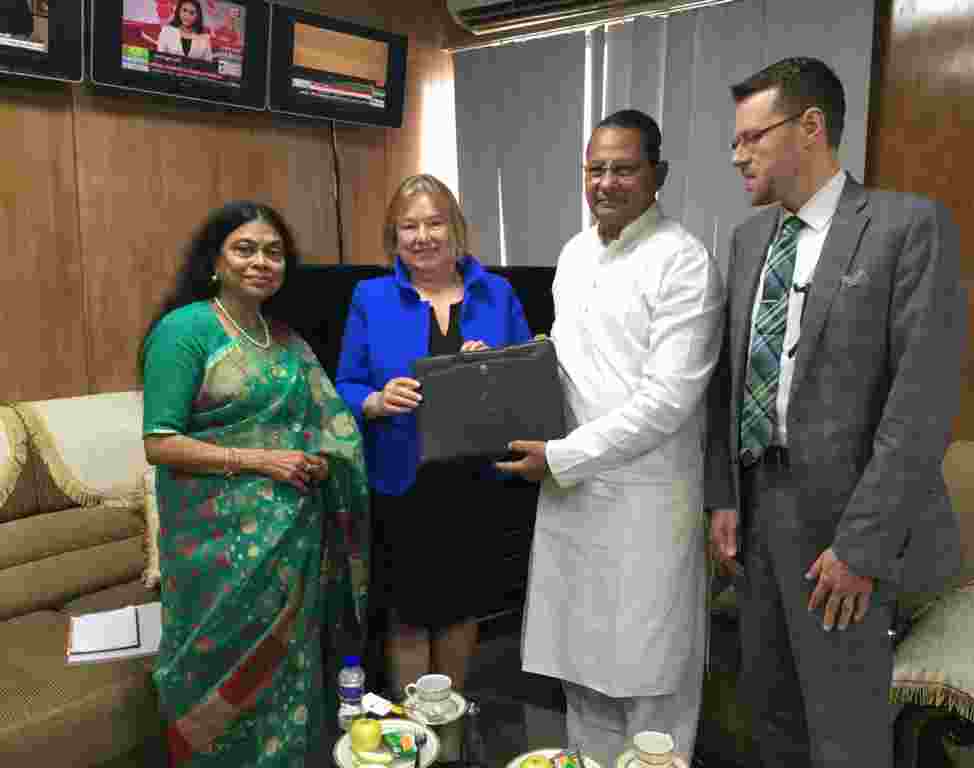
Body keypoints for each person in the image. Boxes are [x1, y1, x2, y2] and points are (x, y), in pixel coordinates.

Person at [704, 57, 966, 767]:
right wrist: (724, 497)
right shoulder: (749, 240)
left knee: (844, 734)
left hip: (847, 529)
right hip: (758, 517)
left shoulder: (906, 228)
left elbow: (922, 402)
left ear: (811, 127)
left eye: (753, 137)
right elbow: (730, 380)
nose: (738, 155)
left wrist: (861, 547)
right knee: (769, 718)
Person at [497, 110, 724, 767]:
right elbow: (567, 365)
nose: (606, 181)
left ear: (659, 175)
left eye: (624, 168)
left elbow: (667, 402)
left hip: (645, 508)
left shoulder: (684, 262)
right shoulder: (574, 254)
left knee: (651, 685)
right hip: (573, 502)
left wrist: (562, 457)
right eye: (596, 168)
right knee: (582, 679)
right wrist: (503, 375)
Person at [140, 201, 369, 766]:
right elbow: (160, 443)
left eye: (273, 251)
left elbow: (329, 426)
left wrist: (317, 460)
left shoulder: (287, 341)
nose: (261, 262)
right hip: (215, 556)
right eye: (245, 249)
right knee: (217, 671)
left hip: (290, 546)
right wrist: (264, 461)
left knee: (289, 677)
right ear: (214, 260)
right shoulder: (186, 329)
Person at [336, 174, 532, 698]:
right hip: (403, 482)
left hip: (474, 481)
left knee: (462, 611)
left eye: (434, 222)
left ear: (455, 229)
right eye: (409, 226)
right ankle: (416, 737)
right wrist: (375, 401)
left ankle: (449, 732)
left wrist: (491, 369)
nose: (422, 236)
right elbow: (347, 385)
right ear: (394, 236)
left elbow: (525, 380)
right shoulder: (370, 297)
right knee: (406, 616)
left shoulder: (497, 293)